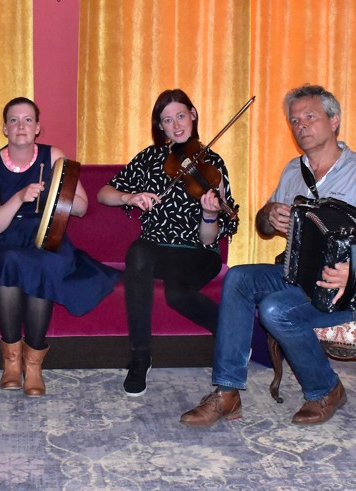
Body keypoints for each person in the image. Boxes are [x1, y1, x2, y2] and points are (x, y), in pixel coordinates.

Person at [180, 84, 356, 427]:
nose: (301, 125)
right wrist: (269, 215)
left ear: (334, 121)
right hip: (297, 275)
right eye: (295, 120)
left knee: (276, 310)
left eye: (310, 117)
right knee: (239, 277)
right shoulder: (293, 171)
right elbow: (262, 225)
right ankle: (227, 393)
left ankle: (326, 389)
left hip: (349, 287)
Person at [0, 97, 120, 397]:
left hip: (45, 235)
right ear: (5, 128)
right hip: (2, 239)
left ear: (37, 127)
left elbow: (81, 208)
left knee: (42, 262)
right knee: (8, 260)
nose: (21, 126)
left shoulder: (55, 157)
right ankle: (12, 362)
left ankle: (34, 364)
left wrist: (56, 192)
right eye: (14, 120)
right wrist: (19, 197)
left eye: (28, 120)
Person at [97, 89, 238, 396]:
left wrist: (210, 214)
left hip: (197, 251)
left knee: (177, 293)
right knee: (138, 252)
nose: (176, 125)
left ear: (193, 115)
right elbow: (104, 193)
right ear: (160, 126)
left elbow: (208, 239)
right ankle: (140, 357)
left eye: (181, 116)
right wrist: (130, 197)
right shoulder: (150, 157)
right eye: (167, 120)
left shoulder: (212, 164)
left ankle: (231, 334)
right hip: (156, 248)